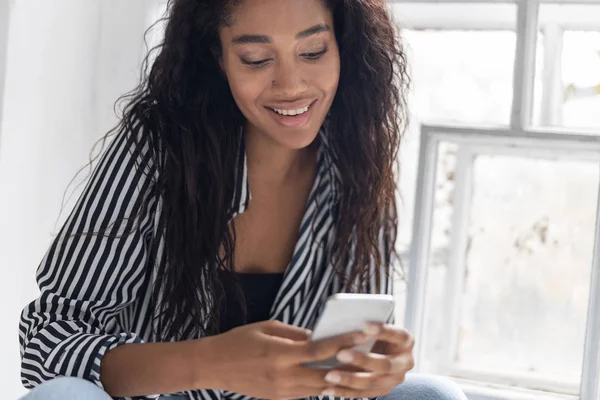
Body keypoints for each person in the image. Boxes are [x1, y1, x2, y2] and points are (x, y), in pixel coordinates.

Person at [18, 0, 467, 399]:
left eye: (313, 52)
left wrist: (374, 369)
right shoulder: (157, 148)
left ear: (343, 46)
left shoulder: (358, 161)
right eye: (255, 59)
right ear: (219, 57)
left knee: (432, 394)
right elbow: (47, 339)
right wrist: (207, 363)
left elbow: (350, 353)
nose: (291, 84)